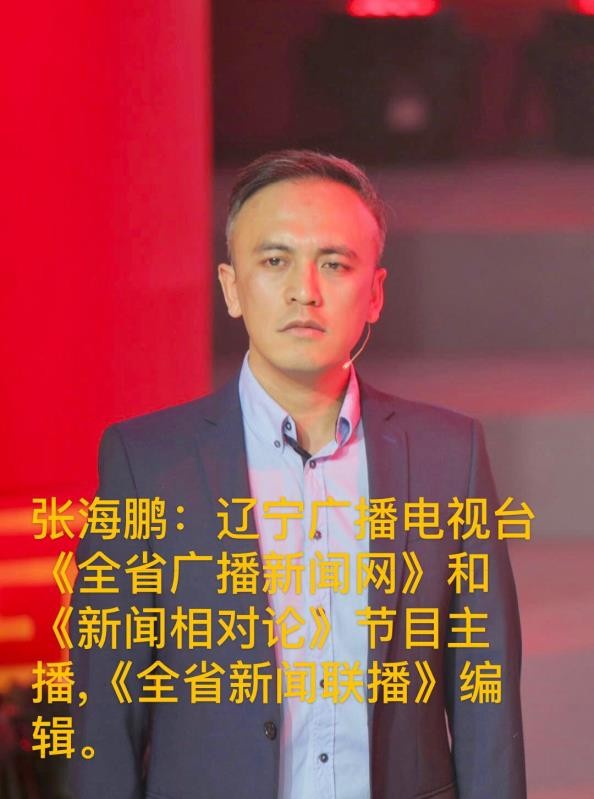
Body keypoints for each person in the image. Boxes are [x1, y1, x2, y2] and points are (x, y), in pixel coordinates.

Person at [68, 150, 526, 799]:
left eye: (334, 263)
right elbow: (104, 722)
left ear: (375, 293)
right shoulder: (147, 464)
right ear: (231, 286)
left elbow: (487, 707)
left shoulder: (450, 456)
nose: (304, 290)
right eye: (274, 260)